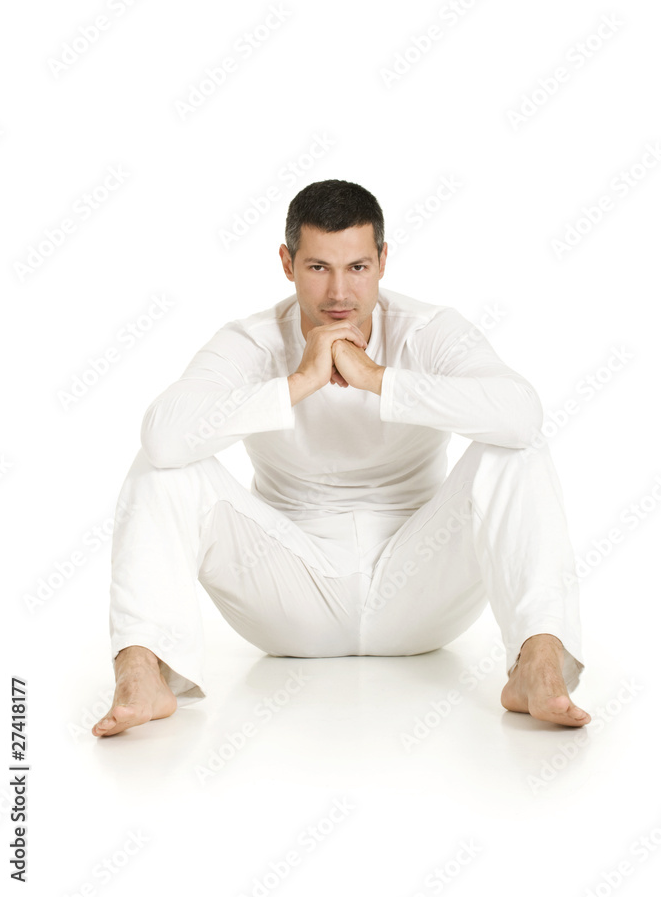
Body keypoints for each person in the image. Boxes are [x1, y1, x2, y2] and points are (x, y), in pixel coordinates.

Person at [93, 179, 590, 737]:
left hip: (421, 587)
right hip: (288, 593)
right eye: (317, 267)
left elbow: (522, 413)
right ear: (287, 263)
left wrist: (378, 379)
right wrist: (301, 380)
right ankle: (142, 671)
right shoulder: (251, 341)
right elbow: (163, 434)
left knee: (517, 447)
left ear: (382, 261)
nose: (339, 292)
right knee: (162, 464)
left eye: (357, 267)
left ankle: (538, 664)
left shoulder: (427, 331)